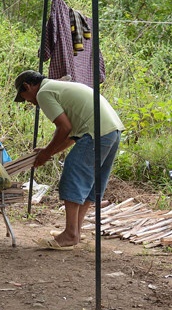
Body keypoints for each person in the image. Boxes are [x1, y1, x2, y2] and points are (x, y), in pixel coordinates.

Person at [13, 70, 123, 249]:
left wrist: (47, 153)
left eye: (25, 97)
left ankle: (70, 233)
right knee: (89, 182)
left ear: (27, 86)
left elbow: (64, 127)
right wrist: (50, 151)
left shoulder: (43, 93)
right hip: (111, 131)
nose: (30, 102)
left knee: (73, 177)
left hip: (96, 133)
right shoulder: (58, 87)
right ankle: (75, 231)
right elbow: (72, 135)